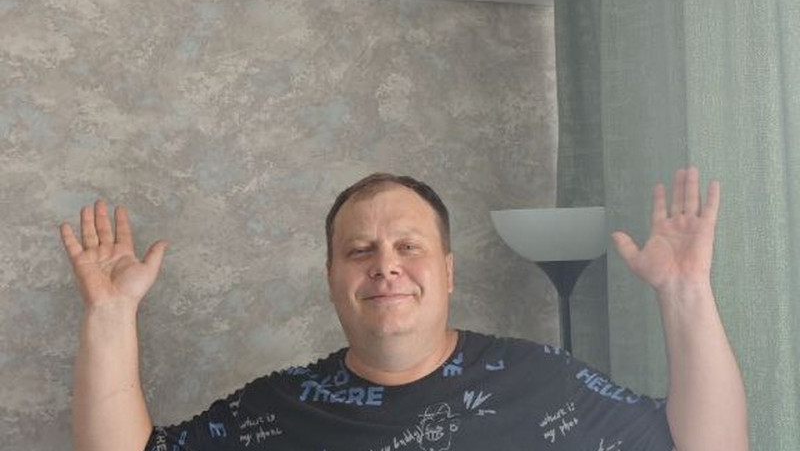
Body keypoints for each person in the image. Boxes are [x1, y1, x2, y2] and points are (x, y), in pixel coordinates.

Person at [60, 166, 748, 451]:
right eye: (359, 250)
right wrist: (110, 316)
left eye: (407, 247)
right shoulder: (279, 409)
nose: (384, 264)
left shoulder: (543, 382)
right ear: (332, 280)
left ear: (447, 272)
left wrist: (685, 291)